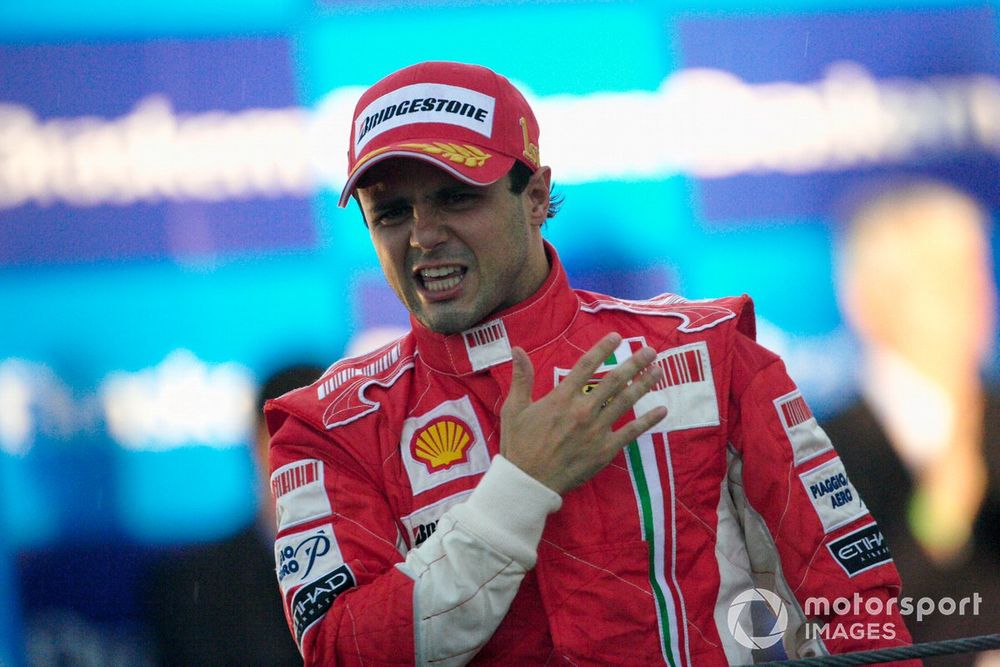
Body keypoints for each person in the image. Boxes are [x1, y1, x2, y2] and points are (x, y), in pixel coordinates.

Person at [264, 61, 916, 665]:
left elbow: (851, 607)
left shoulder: (712, 353)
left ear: (537, 195)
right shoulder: (326, 427)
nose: (423, 234)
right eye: (391, 213)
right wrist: (518, 487)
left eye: (456, 197)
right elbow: (343, 652)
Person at [824, 181, 1000, 666]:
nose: (972, 299)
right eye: (941, 280)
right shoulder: (815, 452)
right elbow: (840, 623)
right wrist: (941, 515)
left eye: (977, 273)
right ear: (868, 302)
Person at [147, 364, 322, 666]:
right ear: (257, 445)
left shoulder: (401, 572)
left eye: (330, 443)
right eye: (294, 443)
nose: (312, 463)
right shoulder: (192, 589)